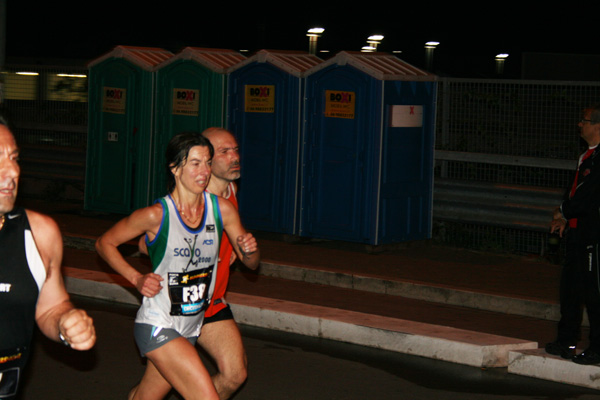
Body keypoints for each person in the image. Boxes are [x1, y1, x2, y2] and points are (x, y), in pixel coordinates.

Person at [96, 132, 259, 400]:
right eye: (195, 163)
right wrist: (136, 279)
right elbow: (105, 243)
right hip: (159, 324)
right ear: (175, 168)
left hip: (192, 324)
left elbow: (252, 263)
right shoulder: (155, 215)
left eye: (207, 162)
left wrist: (249, 250)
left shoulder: (222, 208)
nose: (204, 171)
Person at [0, 110, 96, 398]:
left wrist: (66, 322)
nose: (13, 171)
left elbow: (50, 308)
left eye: (14, 158)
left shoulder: (40, 234)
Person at [197, 127, 256, 399]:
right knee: (154, 388)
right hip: (177, 306)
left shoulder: (231, 190)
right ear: (207, 160)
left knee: (235, 374)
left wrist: (242, 249)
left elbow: (251, 262)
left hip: (213, 302)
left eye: (235, 150)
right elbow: (145, 243)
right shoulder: (192, 200)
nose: (234, 157)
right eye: (224, 152)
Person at [546, 105, 600, 365]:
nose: (580, 125)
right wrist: (563, 216)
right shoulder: (586, 157)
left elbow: (588, 199)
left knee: (594, 294)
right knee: (570, 290)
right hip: (578, 233)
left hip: (594, 237)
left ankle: (598, 349)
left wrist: (563, 212)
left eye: (585, 121)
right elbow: (573, 193)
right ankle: (566, 341)